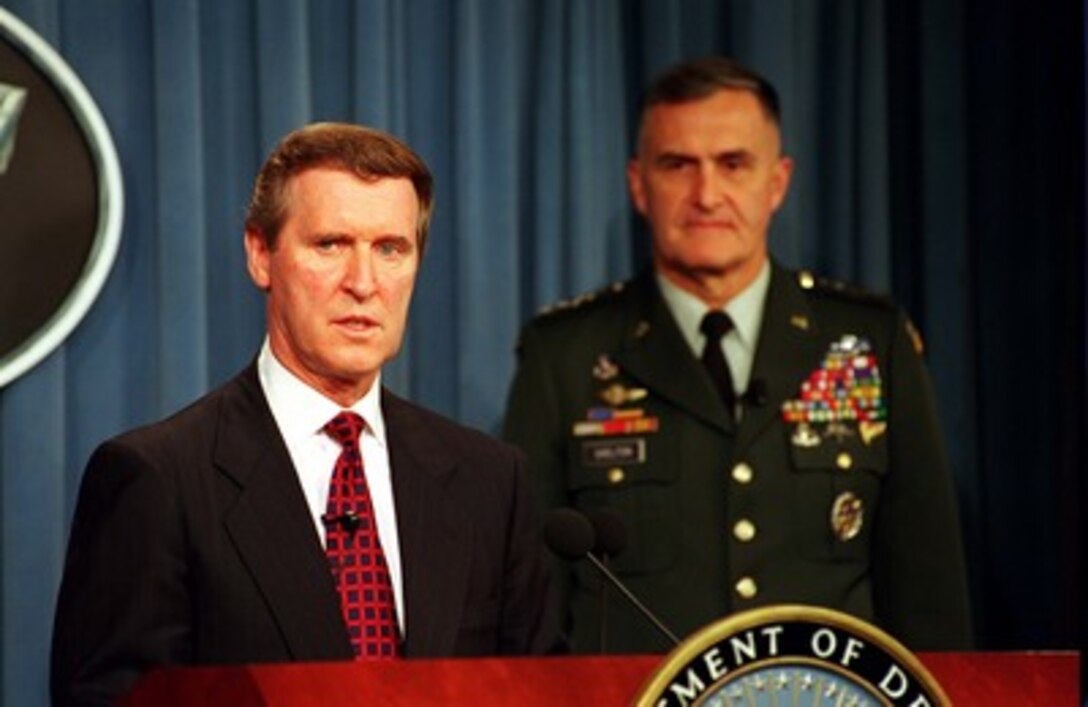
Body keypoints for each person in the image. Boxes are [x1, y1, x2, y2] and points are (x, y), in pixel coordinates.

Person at [51, 122, 561, 707]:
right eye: (331, 245)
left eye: (390, 249)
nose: (364, 283)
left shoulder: (488, 480)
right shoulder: (159, 479)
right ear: (260, 254)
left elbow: (536, 690)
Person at [503, 57, 971, 654]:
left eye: (733, 164)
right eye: (678, 165)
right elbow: (533, 609)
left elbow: (930, 600)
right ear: (639, 185)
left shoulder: (867, 341)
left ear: (776, 182)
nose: (707, 194)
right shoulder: (566, 354)